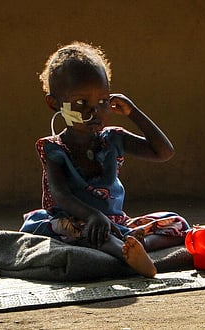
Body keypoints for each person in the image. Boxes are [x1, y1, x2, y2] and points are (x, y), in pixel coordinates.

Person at [20, 41, 191, 277]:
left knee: (176, 222)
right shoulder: (54, 148)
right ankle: (124, 253)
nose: (95, 112)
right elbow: (61, 195)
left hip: (116, 223)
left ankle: (138, 247)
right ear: (55, 104)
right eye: (81, 103)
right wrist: (92, 215)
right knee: (83, 232)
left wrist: (134, 113)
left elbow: (164, 152)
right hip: (76, 220)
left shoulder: (112, 139)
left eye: (103, 102)